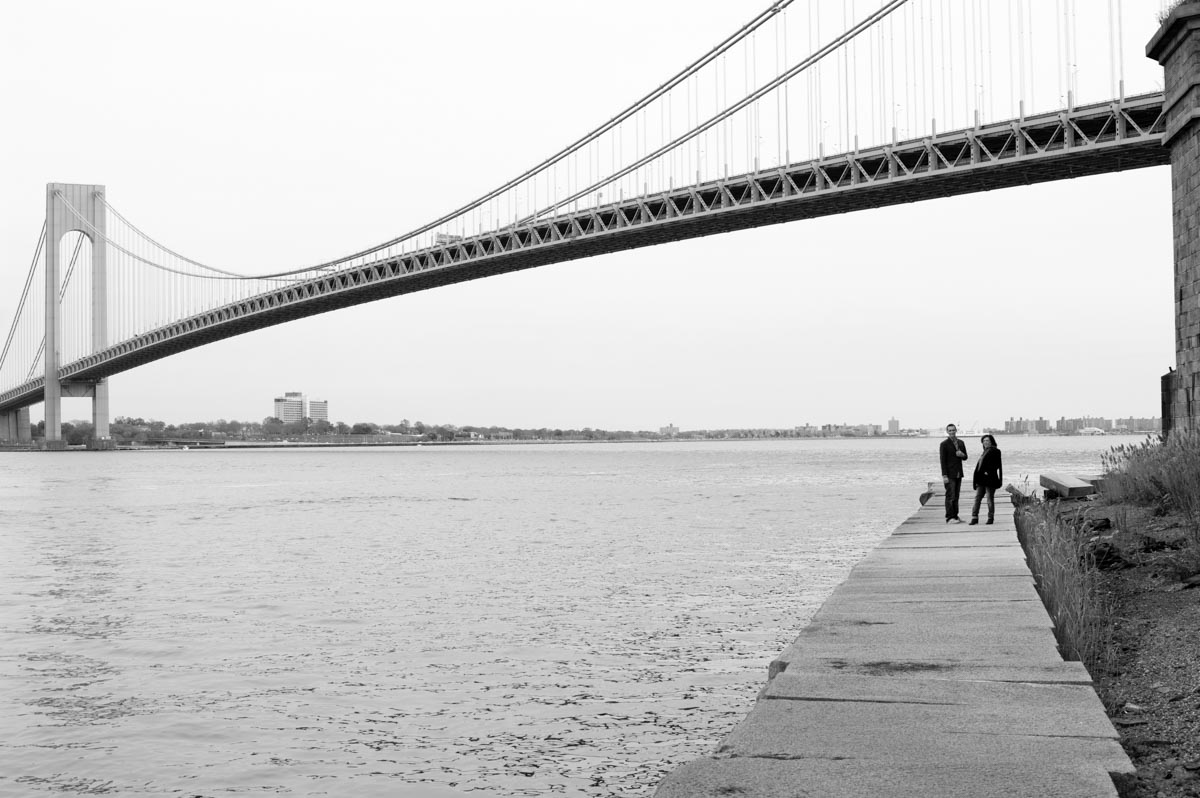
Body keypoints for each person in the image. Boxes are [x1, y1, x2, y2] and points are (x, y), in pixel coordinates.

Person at [970, 434, 1004, 525]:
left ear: (991, 441)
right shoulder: (984, 452)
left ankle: (990, 518)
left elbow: (996, 465)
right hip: (981, 480)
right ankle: (974, 517)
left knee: (989, 499)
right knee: (977, 498)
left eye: (987, 440)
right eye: (984, 441)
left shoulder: (996, 451)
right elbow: (979, 467)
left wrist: (987, 471)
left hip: (990, 479)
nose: (985, 442)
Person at [939, 423, 968, 523]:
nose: (952, 432)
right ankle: (949, 517)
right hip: (949, 474)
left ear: (956, 430)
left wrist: (962, 454)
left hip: (958, 473)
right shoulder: (944, 444)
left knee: (956, 496)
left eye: (953, 430)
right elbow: (942, 461)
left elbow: (965, 457)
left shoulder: (961, 442)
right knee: (950, 496)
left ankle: (955, 516)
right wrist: (944, 475)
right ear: (947, 432)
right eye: (950, 430)